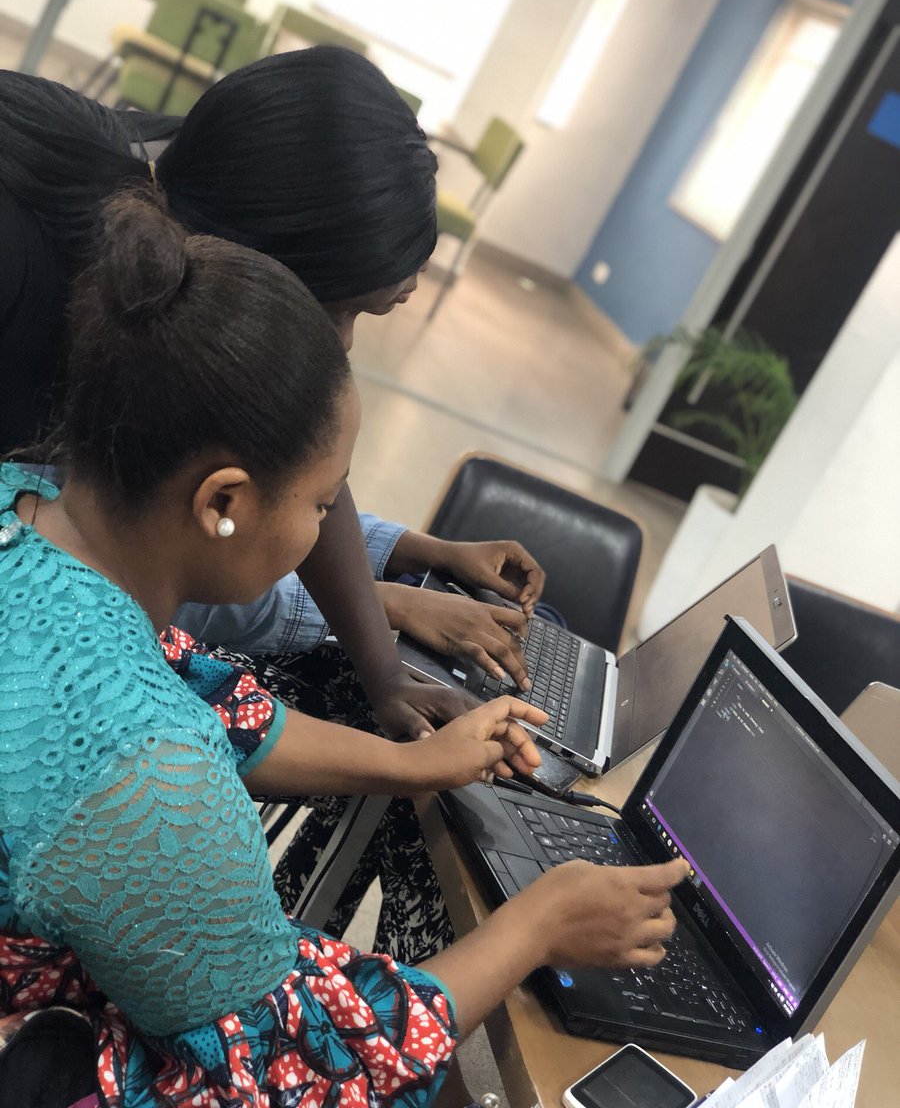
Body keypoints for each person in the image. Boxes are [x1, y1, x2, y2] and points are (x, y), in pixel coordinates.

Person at [0, 192, 687, 1106]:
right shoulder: (145, 783)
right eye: (324, 505)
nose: (331, 529)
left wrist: (416, 764)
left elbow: (212, 705)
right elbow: (306, 1064)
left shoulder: (26, 516)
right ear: (223, 503)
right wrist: (537, 927)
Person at [0, 53, 544, 961]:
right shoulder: (46, 288)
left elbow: (218, 667)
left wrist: (385, 668)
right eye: (345, 312)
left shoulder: (165, 214)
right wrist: (532, 930)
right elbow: (278, 1033)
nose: (336, 352)